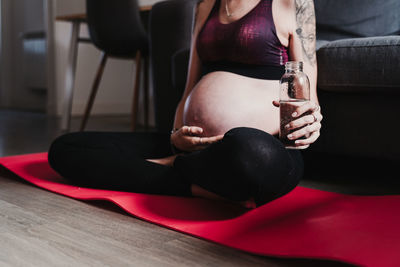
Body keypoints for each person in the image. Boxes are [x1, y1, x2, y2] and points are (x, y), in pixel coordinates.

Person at [48, 0, 322, 209]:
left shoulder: (292, 2)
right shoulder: (206, 6)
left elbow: (308, 97)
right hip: (191, 149)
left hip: (263, 146)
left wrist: (310, 122)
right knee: (66, 148)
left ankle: (166, 168)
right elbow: (190, 88)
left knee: (247, 150)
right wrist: (176, 139)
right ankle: (202, 182)